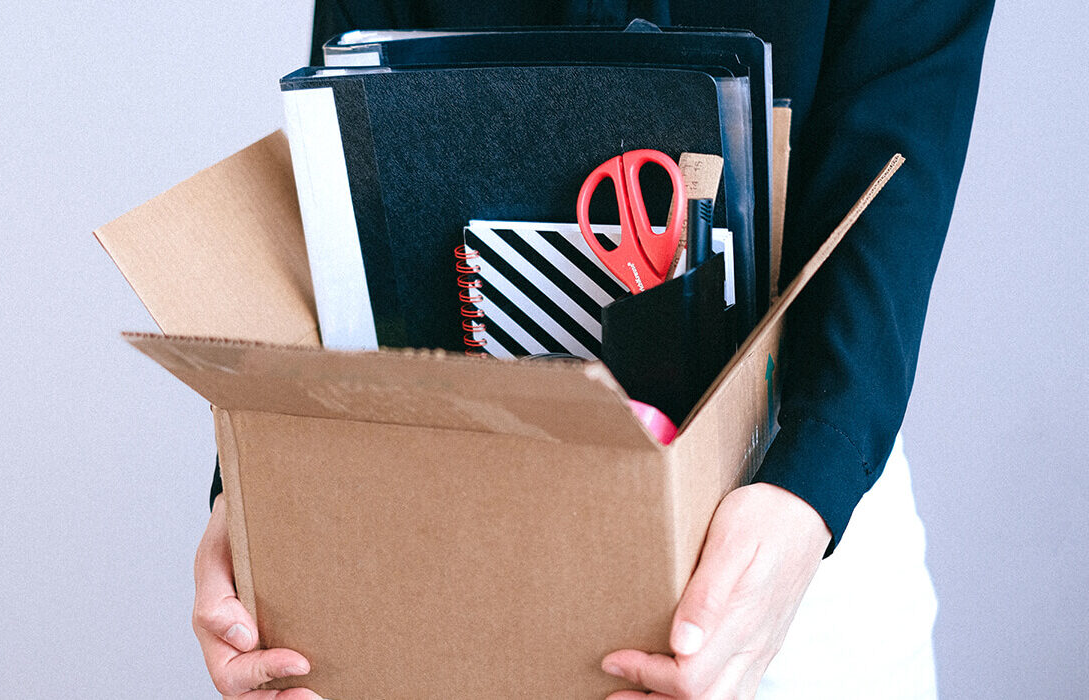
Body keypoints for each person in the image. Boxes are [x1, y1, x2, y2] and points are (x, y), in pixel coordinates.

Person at [191, 1, 995, 697]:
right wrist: (256, 491)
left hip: (775, 522)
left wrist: (811, 486)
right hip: (443, 519)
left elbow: (899, 152)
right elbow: (350, 151)